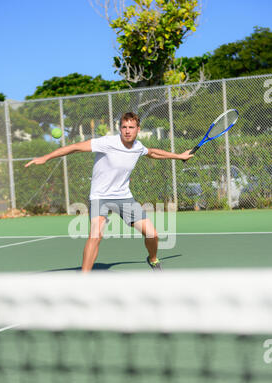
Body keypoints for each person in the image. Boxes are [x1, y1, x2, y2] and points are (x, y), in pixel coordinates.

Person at [25, 112, 194, 272]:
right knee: (95, 236)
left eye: (131, 127)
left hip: (124, 197)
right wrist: (46, 157)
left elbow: (153, 153)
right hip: (100, 197)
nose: (127, 131)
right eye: (124, 127)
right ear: (120, 128)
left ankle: (153, 259)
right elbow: (75, 147)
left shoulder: (138, 147)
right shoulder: (106, 142)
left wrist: (179, 156)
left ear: (138, 129)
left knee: (152, 234)